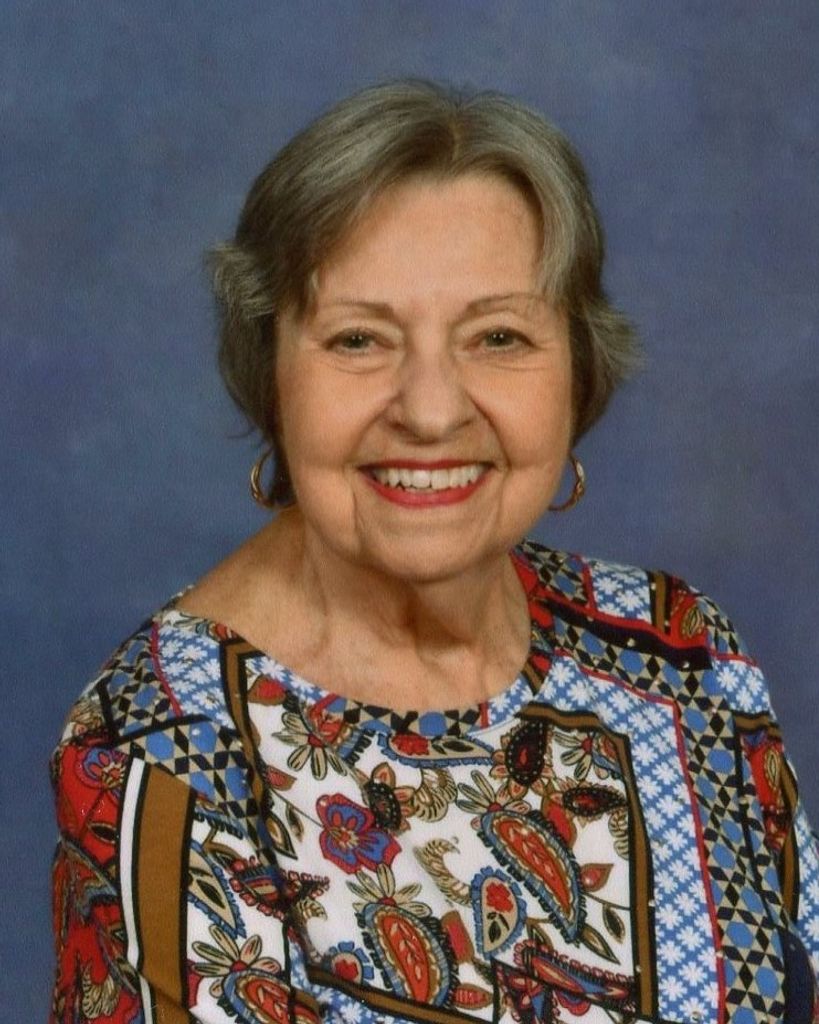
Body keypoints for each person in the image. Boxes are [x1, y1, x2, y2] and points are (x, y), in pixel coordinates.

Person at [50, 80, 818, 1024]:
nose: (430, 410)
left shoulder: (679, 651)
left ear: (576, 367)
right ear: (270, 374)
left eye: (497, 336)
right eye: (358, 339)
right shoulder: (163, 753)